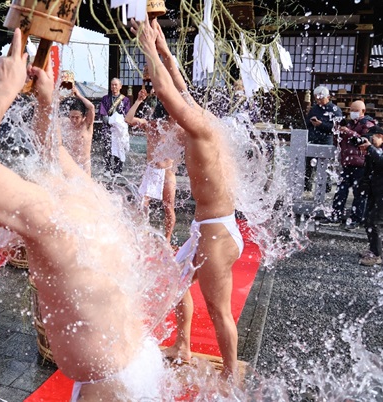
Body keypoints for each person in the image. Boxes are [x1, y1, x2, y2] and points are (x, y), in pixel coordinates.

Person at [0, 28, 172, 400]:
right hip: (139, 361)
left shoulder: (44, 213)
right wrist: (46, 101)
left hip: (110, 388)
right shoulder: (91, 194)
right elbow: (53, 154)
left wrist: (3, 91)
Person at [132, 17, 245, 378]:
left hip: (217, 232)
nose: (171, 125)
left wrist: (147, 48)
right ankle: (182, 345)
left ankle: (229, 375)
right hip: (205, 228)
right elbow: (179, 90)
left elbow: (168, 93)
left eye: (173, 120)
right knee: (175, 280)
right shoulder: (203, 119)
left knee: (219, 310)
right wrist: (163, 50)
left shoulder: (198, 127)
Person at [125, 88, 178, 243]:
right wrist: (138, 101)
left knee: (168, 206)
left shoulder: (173, 127)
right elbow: (128, 119)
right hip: (152, 170)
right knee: (143, 204)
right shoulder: (150, 125)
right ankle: (143, 233)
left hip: (167, 171)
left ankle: (168, 239)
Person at [326, 100, 375, 228]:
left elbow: (364, 141)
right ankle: (335, 215)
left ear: (363, 111)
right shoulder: (349, 124)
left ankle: (356, 219)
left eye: (355, 110)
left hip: (361, 164)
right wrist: (337, 132)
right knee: (340, 191)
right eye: (351, 110)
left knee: (359, 194)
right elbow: (339, 142)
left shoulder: (368, 124)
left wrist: (348, 132)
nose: (352, 113)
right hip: (347, 162)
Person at [304, 86, 342, 193]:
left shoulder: (335, 110)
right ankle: (307, 187)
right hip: (313, 138)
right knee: (309, 165)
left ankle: (326, 187)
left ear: (328, 97)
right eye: (317, 99)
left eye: (321, 99)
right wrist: (311, 121)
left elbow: (336, 128)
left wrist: (321, 124)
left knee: (325, 165)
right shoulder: (314, 109)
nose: (318, 101)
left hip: (326, 140)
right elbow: (306, 123)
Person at [358, 126, 383, 266]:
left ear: (380, 136)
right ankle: (373, 249)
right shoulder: (373, 152)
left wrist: (371, 149)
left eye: (372, 138)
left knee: (375, 222)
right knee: (368, 220)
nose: (369, 141)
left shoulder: (376, 151)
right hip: (375, 191)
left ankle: (378, 255)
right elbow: (368, 171)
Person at [99, 78, 131, 175]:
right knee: (107, 147)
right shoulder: (105, 98)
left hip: (119, 128)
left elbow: (127, 113)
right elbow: (103, 111)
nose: (114, 87)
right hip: (108, 127)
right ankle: (108, 169)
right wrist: (108, 121)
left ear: (120, 86)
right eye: (112, 85)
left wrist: (119, 122)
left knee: (119, 147)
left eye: (116, 85)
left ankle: (118, 170)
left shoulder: (125, 100)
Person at [60, 87, 95, 175]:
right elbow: (50, 114)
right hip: (70, 165)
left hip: (84, 164)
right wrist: (61, 97)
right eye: (72, 117)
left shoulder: (87, 125)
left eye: (77, 117)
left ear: (83, 117)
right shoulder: (65, 122)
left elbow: (91, 107)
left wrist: (78, 95)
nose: (74, 120)